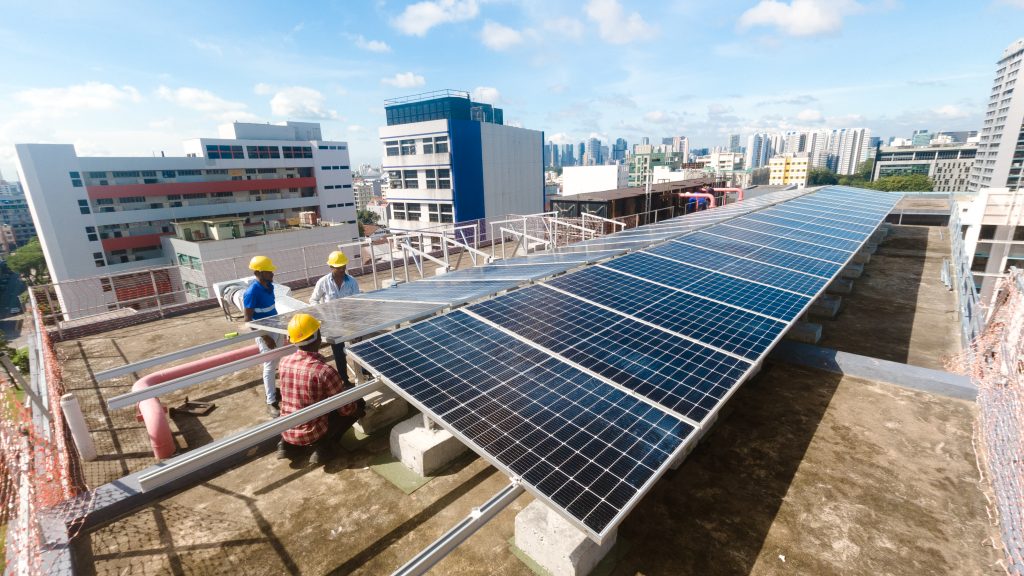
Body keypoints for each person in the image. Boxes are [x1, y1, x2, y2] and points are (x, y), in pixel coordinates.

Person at [276, 313, 365, 465]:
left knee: (305, 402)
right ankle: (324, 446)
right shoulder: (324, 371)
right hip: (312, 433)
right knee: (358, 403)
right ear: (318, 337)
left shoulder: (284, 362)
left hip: (286, 429)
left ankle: (287, 445)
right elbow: (346, 409)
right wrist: (359, 409)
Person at [242, 255, 285, 417]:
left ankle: (275, 390)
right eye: (269, 271)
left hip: (277, 328)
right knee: (269, 365)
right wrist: (265, 336)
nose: (273, 273)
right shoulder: (252, 292)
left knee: (277, 361)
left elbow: (271, 309)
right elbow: (248, 320)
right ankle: (271, 401)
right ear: (259, 272)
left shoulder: (269, 285)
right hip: (265, 333)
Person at [308, 250, 360, 383]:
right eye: (339, 267)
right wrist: (323, 313)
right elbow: (313, 300)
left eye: (344, 266)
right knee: (338, 353)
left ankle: (363, 372)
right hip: (333, 324)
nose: (342, 269)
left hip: (351, 322)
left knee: (358, 349)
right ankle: (344, 379)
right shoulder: (323, 282)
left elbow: (358, 302)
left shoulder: (352, 282)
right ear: (331, 267)